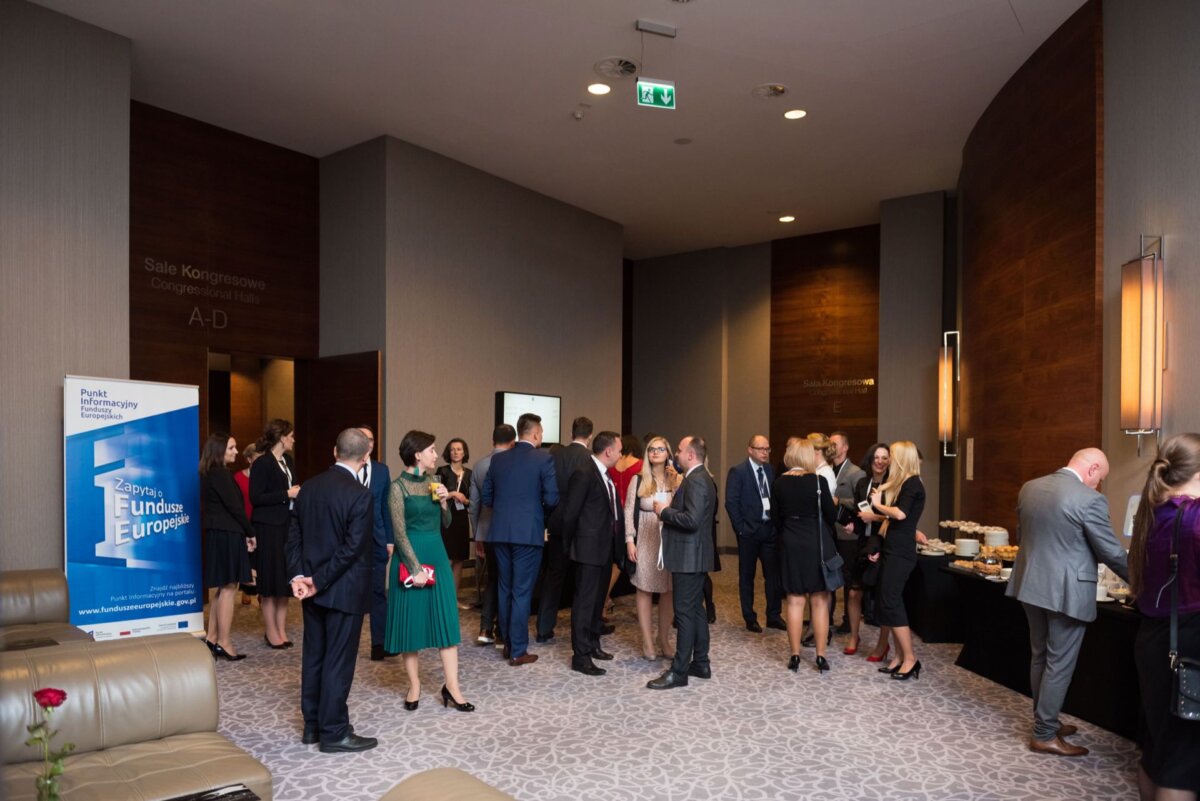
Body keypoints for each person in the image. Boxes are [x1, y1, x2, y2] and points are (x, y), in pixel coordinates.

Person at [1006, 447, 1129, 757]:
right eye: (1099, 479)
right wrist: (1141, 580)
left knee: (1040, 656)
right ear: (1092, 469)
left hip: (1030, 584)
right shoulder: (1089, 500)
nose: (1098, 486)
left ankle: (1044, 721)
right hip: (1066, 592)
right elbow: (1110, 552)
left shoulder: (1029, 488)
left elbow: (1023, 535)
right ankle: (1045, 734)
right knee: (1059, 663)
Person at [285, 428, 376, 753]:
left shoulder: (308, 488)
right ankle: (334, 731)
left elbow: (293, 536)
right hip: (342, 590)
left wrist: (300, 577)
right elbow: (352, 550)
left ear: (334, 452)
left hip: (310, 589)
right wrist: (319, 581)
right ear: (366, 457)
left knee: (314, 656)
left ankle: (312, 726)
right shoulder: (360, 495)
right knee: (337, 660)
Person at [1129, 433, 1200, 800]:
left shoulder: (1153, 512)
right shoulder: (1194, 516)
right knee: (1182, 761)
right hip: (1188, 642)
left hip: (1155, 639)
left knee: (1157, 749)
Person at [386, 430, 474, 713]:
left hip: (436, 553)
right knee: (410, 627)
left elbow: (446, 522)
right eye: (432, 450)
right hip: (409, 557)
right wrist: (414, 569)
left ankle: (453, 688)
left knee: (446, 624)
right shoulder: (397, 488)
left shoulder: (435, 481)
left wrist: (445, 501)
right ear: (417, 454)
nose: (437, 454)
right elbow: (399, 534)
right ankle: (414, 685)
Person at [482, 412, 559, 666]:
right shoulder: (544, 458)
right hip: (528, 533)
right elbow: (552, 499)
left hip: (500, 532)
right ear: (536, 434)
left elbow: (487, 498)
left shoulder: (499, 460)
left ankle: (507, 643)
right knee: (522, 591)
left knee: (505, 587)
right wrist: (539, 514)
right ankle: (518, 650)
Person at [647, 435, 717, 690]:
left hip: (690, 557)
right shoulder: (699, 478)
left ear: (690, 455)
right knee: (696, 610)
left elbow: (692, 520)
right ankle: (700, 662)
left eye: (678, 450)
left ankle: (679, 672)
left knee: (685, 614)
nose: (675, 454)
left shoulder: (697, 480)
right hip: (694, 556)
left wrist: (664, 511)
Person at [772, 437, 840, 673]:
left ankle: (795, 655)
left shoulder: (779, 483)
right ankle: (820, 656)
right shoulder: (819, 482)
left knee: (794, 600)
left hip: (791, 544)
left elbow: (776, 519)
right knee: (819, 602)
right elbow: (831, 517)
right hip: (815, 544)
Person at [562, 431, 624, 676]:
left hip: (604, 549)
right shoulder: (584, 472)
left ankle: (593, 644)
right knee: (585, 603)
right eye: (619, 450)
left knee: (598, 601)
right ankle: (581, 656)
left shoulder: (605, 474)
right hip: (588, 550)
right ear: (608, 451)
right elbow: (571, 514)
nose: (620, 455)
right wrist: (570, 546)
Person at [865, 440, 926, 681]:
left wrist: (878, 506)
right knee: (890, 600)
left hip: (901, 552)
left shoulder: (912, 483)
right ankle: (900, 656)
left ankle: (910, 658)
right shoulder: (904, 482)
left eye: (891, 455)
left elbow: (901, 514)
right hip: (894, 549)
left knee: (891, 601)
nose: (887, 459)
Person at [199, 432, 255, 661]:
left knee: (222, 589)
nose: (235, 451)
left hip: (218, 534)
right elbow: (236, 508)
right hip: (227, 535)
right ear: (219, 450)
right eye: (231, 448)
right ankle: (224, 641)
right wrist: (251, 533)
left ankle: (212, 638)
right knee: (229, 588)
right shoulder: (220, 474)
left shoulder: (208, 473)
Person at [539, 416, 595, 643]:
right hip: (582, 525)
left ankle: (544, 628)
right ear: (590, 436)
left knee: (553, 576)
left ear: (572, 432)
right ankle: (582, 630)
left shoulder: (554, 455)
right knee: (582, 581)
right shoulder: (591, 459)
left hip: (556, 522)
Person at [625, 435, 678, 660]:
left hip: (669, 537)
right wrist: (629, 540)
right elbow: (628, 510)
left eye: (660, 449)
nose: (655, 452)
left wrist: (677, 483)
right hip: (646, 537)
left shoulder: (676, 479)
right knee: (644, 588)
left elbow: (684, 507)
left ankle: (663, 638)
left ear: (668, 454)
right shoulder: (638, 479)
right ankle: (647, 640)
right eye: (651, 449)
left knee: (668, 590)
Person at [725, 434, 784, 634]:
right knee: (747, 576)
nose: (765, 452)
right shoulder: (738, 471)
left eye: (767, 449)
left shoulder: (770, 469)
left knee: (773, 576)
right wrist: (741, 528)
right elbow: (731, 503)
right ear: (750, 450)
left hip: (769, 530)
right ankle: (749, 617)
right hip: (749, 532)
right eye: (761, 449)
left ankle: (774, 616)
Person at [249, 418, 300, 648]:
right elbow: (256, 497)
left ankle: (281, 629)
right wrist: (285, 494)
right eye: (290, 435)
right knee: (270, 583)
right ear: (282, 437)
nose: (293, 439)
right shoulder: (262, 464)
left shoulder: (288, 461)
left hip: (287, 525)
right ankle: (271, 632)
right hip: (268, 528)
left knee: (283, 582)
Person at [469, 424, 517, 646]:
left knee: (492, 579)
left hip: (487, 531)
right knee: (506, 579)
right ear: (512, 442)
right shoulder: (513, 464)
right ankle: (500, 631)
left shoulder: (479, 465)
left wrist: (477, 534)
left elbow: (474, 505)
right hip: (507, 530)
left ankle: (485, 627)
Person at [845, 443, 890, 656]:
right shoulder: (863, 483)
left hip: (885, 543)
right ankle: (854, 635)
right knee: (854, 592)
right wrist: (853, 522)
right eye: (876, 458)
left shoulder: (893, 485)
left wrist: (875, 516)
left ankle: (883, 643)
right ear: (870, 460)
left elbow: (898, 517)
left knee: (883, 595)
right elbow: (858, 510)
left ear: (890, 461)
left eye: (884, 458)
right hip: (863, 541)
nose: (880, 461)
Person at [355, 425, 393, 662]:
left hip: (377, 539)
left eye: (370, 439)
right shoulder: (345, 468)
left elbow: (385, 507)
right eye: (363, 439)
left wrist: (389, 539)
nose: (368, 442)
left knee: (379, 592)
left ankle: (379, 644)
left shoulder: (381, 470)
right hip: (350, 541)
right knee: (354, 593)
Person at [802, 432, 840, 647]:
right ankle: (815, 629)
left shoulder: (824, 475)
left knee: (822, 587)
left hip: (820, 532)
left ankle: (820, 631)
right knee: (818, 587)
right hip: (817, 531)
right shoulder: (819, 471)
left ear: (816, 451)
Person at [829, 431, 866, 634]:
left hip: (848, 534)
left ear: (845, 447)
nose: (831, 447)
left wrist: (839, 501)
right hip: (830, 533)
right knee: (830, 575)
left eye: (835, 444)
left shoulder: (856, 473)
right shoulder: (826, 470)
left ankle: (847, 620)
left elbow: (862, 502)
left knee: (848, 577)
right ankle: (827, 617)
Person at [605, 434, 645, 615]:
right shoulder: (641, 465)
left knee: (615, 562)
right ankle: (604, 600)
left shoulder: (613, 465)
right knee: (634, 563)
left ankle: (604, 601)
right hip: (633, 518)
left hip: (613, 516)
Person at [435, 438, 472, 609]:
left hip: (462, 519)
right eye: (452, 449)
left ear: (464, 453)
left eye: (459, 449)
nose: (456, 452)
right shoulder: (441, 471)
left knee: (459, 560)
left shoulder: (470, 474)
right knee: (447, 560)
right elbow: (435, 496)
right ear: (448, 453)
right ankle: (442, 598)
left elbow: (473, 501)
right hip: (445, 518)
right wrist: (453, 494)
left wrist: (465, 500)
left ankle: (454, 599)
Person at [233, 442, 260, 606]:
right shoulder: (238, 477)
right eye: (256, 458)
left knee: (260, 559)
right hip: (244, 522)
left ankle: (262, 591)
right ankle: (246, 590)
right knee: (246, 559)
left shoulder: (265, 477)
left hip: (260, 522)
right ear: (249, 459)